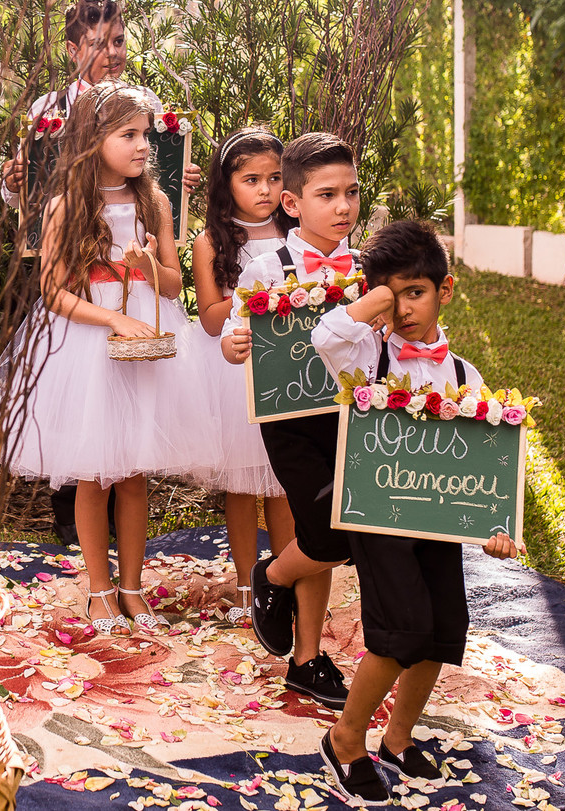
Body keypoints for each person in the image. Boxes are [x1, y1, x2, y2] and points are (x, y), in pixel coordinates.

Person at [310, 219, 524, 805]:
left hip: (435, 521)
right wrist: (372, 300)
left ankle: (396, 738)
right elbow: (324, 337)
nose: (404, 308)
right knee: (398, 631)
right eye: (392, 294)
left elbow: (485, 467)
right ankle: (346, 737)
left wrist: (494, 528)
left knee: (440, 631)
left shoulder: (464, 376)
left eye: (415, 292)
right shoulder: (364, 354)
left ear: (444, 290)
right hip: (378, 516)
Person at [0, 82, 208, 636]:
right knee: (95, 474)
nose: (144, 146)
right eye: (129, 135)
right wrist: (114, 317)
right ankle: (99, 589)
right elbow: (53, 293)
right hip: (90, 343)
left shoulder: (155, 203)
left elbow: (171, 287)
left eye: (146, 134)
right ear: (94, 141)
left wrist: (144, 268)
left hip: (145, 344)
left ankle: (133, 588)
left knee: (134, 472)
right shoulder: (67, 205)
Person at [220, 131, 361, 709]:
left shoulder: (369, 267)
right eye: (327, 195)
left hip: (357, 420)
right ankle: (274, 577)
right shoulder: (266, 268)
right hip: (292, 420)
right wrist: (235, 343)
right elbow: (236, 337)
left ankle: (305, 657)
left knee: (322, 532)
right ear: (293, 203)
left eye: (351, 192)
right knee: (328, 532)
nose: (344, 206)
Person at [191, 127, 296, 626]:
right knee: (242, 483)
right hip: (236, 369)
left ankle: (288, 578)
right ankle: (242, 581)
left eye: (274, 178)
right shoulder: (211, 241)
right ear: (225, 183)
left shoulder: (296, 238)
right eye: (251, 179)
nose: (264, 190)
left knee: (284, 483)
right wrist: (252, 295)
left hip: (289, 369)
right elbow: (211, 318)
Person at [0, 0, 201, 209]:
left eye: (118, 41)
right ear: (72, 50)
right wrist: (13, 183)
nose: (112, 52)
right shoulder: (48, 107)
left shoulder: (146, 100)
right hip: (70, 233)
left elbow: (159, 176)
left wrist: (181, 177)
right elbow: (22, 198)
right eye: (98, 44)